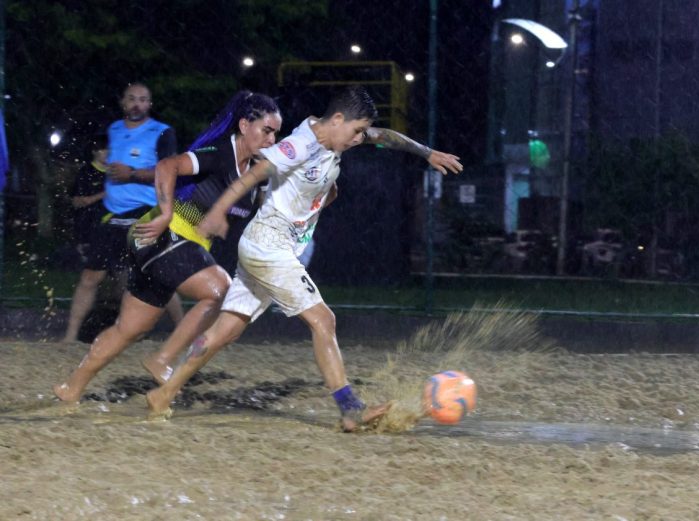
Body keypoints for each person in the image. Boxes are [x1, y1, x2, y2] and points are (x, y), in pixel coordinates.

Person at [146, 85, 463, 431]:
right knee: (323, 321)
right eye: (356, 131)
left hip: (268, 246)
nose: (359, 139)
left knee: (226, 330)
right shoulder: (299, 144)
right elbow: (253, 175)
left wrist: (427, 153)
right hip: (269, 246)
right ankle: (350, 408)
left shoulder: (338, 135)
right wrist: (217, 213)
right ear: (338, 119)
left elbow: (382, 135)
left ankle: (164, 394)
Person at [54, 91, 283, 402]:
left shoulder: (254, 175)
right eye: (266, 131)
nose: (272, 139)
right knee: (218, 289)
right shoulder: (218, 153)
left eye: (276, 133)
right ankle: (162, 359)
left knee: (130, 329)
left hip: (172, 247)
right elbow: (166, 166)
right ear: (244, 125)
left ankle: (70, 388)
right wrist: (165, 213)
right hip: (161, 234)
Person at [62, 83, 183, 343]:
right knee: (90, 276)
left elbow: (169, 170)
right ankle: (70, 338)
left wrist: (133, 174)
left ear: (150, 104)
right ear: (123, 103)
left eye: (143, 99)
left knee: (157, 274)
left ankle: (185, 332)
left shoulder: (162, 132)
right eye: (132, 99)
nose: (137, 104)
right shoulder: (114, 130)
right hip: (113, 214)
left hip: (145, 213)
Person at [69, 133, 107, 267]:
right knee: (90, 267)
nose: (108, 153)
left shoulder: (114, 173)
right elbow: (77, 202)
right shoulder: (85, 173)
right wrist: (103, 194)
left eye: (110, 149)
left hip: (110, 224)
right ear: (94, 151)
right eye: (103, 149)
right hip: (88, 224)